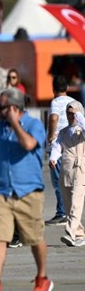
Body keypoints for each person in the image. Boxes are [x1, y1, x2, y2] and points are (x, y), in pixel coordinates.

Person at [0, 88, 53, 291]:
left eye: (1, 107)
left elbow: (29, 144)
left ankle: (42, 277)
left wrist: (15, 124)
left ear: (13, 108)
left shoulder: (34, 125)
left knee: (34, 237)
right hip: (1, 191)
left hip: (28, 191)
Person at [51, 101, 85, 247]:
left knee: (76, 205)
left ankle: (70, 232)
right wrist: (53, 158)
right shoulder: (64, 132)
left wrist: (79, 115)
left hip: (80, 170)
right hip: (66, 170)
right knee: (68, 203)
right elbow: (57, 146)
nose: (70, 116)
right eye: (68, 113)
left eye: (73, 114)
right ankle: (80, 234)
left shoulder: (81, 129)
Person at [45, 75, 73, 227]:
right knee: (69, 180)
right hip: (71, 146)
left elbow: (54, 118)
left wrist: (50, 136)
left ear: (53, 89)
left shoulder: (55, 102)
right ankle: (70, 212)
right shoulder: (74, 102)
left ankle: (61, 213)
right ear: (67, 88)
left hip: (57, 146)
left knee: (58, 182)